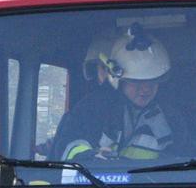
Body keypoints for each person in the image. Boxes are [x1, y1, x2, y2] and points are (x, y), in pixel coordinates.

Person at [52, 26, 188, 160]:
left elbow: (183, 158)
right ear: (118, 80)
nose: (146, 89)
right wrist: (88, 157)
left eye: (153, 82)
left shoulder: (170, 118)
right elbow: (65, 148)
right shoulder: (92, 109)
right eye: (137, 82)